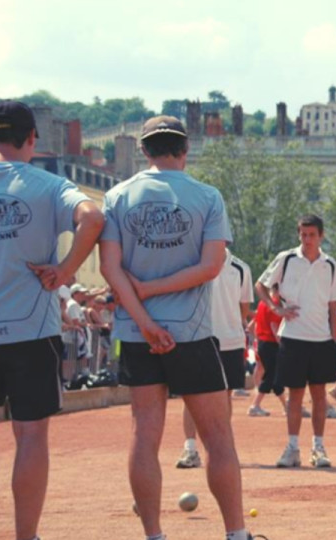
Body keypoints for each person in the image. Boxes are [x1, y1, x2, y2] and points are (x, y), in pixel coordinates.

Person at [100, 115, 250, 540]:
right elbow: (211, 266)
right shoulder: (207, 196)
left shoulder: (117, 196)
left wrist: (144, 316)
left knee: (144, 433)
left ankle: (153, 534)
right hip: (191, 331)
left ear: (145, 151)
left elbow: (110, 268)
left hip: (135, 333)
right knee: (217, 437)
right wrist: (154, 289)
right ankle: (236, 534)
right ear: (185, 150)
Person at [0, 101, 103, 540]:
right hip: (30, 330)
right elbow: (94, 217)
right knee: (30, 438)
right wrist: (65, 271)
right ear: (32, 139)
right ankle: (25, 536)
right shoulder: (49, 185)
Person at [257, 214, 336, 469]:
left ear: (321, 236)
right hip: (293, 338)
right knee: (295, 395)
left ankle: (318, 448)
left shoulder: (330, 265)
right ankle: (292, 448)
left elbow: (333, 304)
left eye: (312, 235)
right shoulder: (286, 259)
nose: (307, 240)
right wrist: (277, 309)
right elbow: (260, 286)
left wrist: (333, 338)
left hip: (321, 340)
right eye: (303, 235)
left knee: (319, 395)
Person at [176, 249, 253, 469]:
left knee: (225, 395)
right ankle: (190, 449)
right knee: (192, 394)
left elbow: (244, 307)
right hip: (197, 337)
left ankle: (222, 448)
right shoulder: (192, 262)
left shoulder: (240, 268)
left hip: (230, 341)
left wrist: (230, 326)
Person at [248, 290, 287, 416]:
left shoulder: (262, 303)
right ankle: (255, 405)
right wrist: (282, 345)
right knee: (271, 376)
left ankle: (286, 406)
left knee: (274, 376)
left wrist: (256, 338)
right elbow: (274, 326)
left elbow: (254, 324)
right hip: (271, 343)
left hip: (263, 342)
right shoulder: (275, 304)